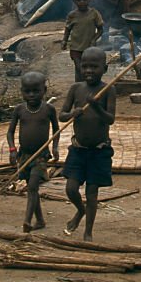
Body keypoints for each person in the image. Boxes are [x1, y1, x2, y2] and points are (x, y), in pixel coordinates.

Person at [59, 47, 116, 242]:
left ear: (105, 68)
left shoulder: (108, 90)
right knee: (71, 189)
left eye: (94, 67)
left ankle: (88, 232)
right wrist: (72, 114)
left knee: (92, 193)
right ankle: (80, 210)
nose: (89, 71)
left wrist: (97, 107)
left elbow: (110, 120)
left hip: (99, 151)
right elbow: (62, 115)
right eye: (85, 67)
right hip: (78, 150)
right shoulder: (76, 89)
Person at [6, 71, 60, 233]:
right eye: (27, 91)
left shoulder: (49, 109)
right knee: (32, 188)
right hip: (24, 155)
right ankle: (41, 220)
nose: (31, 95)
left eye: (36, 91)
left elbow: (56, 131)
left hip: (40, 156)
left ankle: (27, 221)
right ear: (21, 91)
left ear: (44, 90)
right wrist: (12, 149)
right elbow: (10, 132)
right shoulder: (19, 110)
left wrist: (55, 148)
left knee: (32, 188)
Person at [62, 0, 104, 83]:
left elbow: (101, 29)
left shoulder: (94, 13)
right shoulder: (72, 15)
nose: (82, 2)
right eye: (78, 0)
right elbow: (67, 29)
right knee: (79, 68)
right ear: (74, 0)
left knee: (88, 70)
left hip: (89, 49)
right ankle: (79, 87)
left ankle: (88, 87)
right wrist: (64, 40)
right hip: (75, 48)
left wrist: (94, 39)